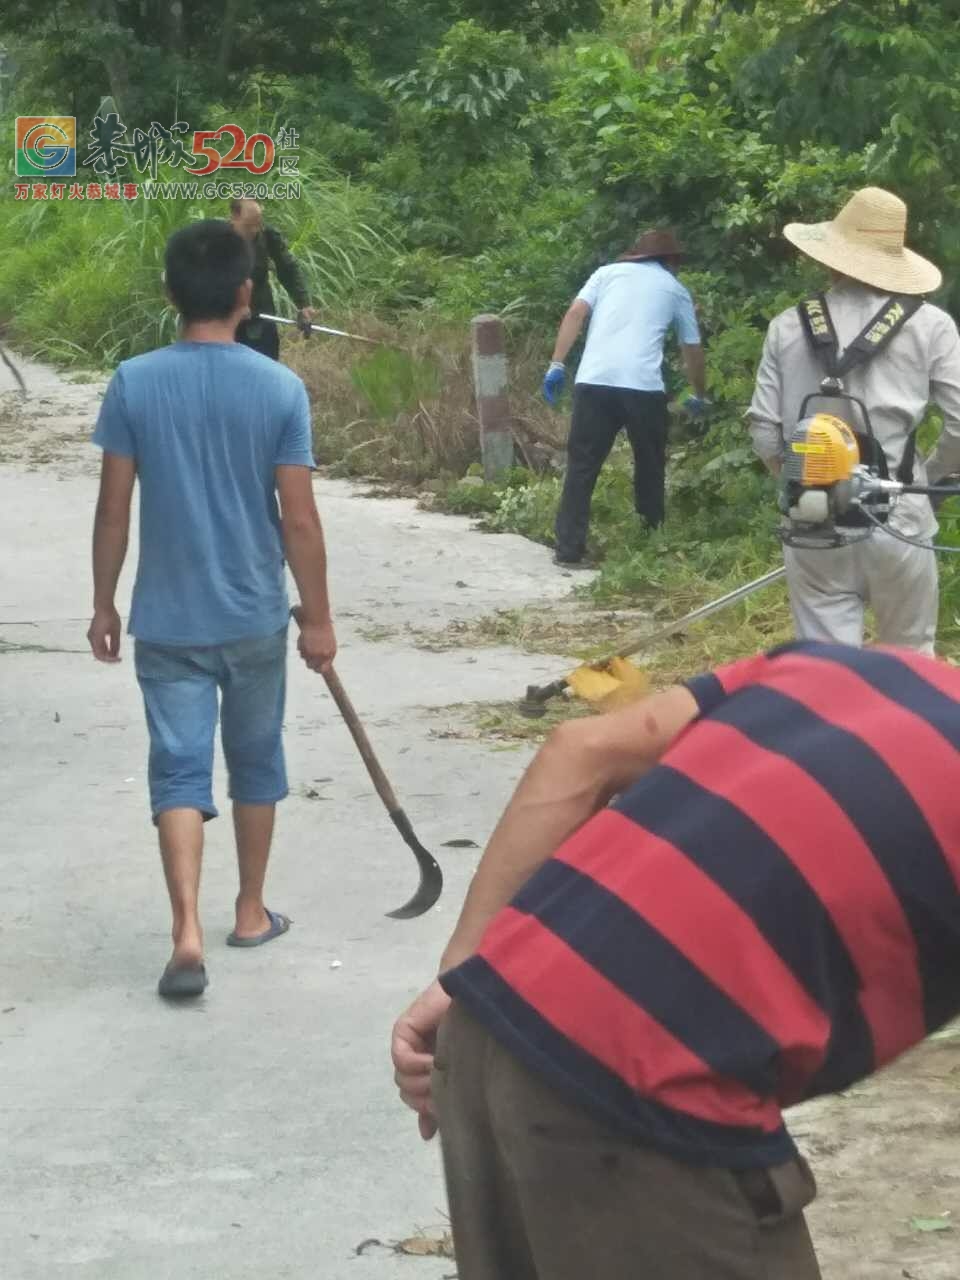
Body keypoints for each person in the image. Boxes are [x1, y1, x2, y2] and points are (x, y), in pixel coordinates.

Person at [392, 638, 960, 1279]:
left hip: (486, 1023)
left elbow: (579, 752)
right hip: (639, 1090)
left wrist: (462, 973)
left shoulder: (853, 666)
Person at [87, 220, 337, 999]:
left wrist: (104, 602)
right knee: (256, 761)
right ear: (246, 295)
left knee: (179, 770)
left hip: (166, 620)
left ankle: (186, 930)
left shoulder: (134, 381)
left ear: (169, 295)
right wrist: (319, 618)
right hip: (255, 616)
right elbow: (298, 518)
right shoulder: (278, 388)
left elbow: (113, 510)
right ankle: (252, 911)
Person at [748, 186, 960, 653]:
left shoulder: (788, 324)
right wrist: (929, 477)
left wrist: (801, 485)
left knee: (826, 669)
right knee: (908, 665)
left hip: (813, 525)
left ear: (831, 257)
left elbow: (764, 429)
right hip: (899, 515)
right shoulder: (930, 325)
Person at [543, 229, 707, 567]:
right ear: (672, 261)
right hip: (643, 388)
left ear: (638, 255)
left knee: (582, 466)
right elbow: (691, 347)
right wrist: (700, 393)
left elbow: (575, 313)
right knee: (649, 465)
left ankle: (569, 551)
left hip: (594, 381)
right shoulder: (676, 290)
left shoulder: (606, 274)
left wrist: (556, 364)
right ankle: (650, 546)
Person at [229, 198, 315, 360]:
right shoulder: (215, 240)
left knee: (265, 366)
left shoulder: (267, 235)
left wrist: (303, 304)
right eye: (249, 225)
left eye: (258, 223)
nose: (255, 230)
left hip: (262, 315)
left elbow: (287, 268)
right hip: (226, 322)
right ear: (234, 216)